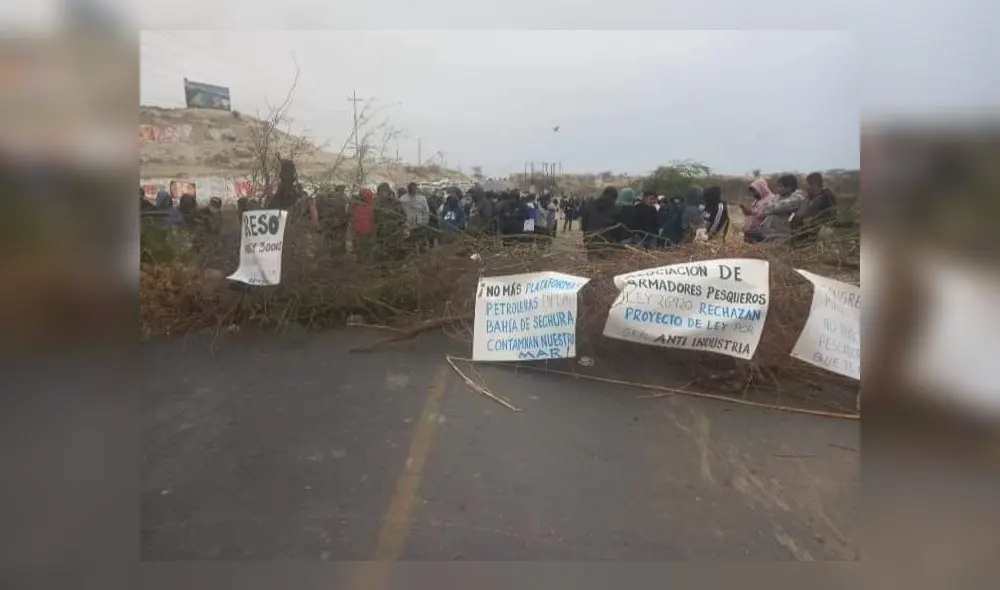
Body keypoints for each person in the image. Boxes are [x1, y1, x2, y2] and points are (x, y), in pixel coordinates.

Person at [745, 175, 806, 242]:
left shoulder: (797, 198)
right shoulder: (778, 197)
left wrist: (770, 207)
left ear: (789, 188)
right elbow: (768, 209)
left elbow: (777, 208)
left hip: (783, 234)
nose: (778, 188)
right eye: (778, 186)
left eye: (780, 186)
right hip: (768, 232)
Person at [791, 172, 838, 242]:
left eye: (810, 184)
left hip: (820, 228)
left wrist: (811, 220)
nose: (808, 187)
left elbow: (829, 213)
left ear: (815, 184)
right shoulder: (808, 197)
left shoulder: (826, 196)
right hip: (804, 228)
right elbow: (801, 211)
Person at [740, 178, 778, 242]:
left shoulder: (771, 199)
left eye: (754, 191)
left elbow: (766, 214)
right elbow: (752, 214)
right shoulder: (757, 200)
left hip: (763, 234)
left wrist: (751, 212)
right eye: (752, 191)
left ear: (761, 188)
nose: (753, 193)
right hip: (752, 233)